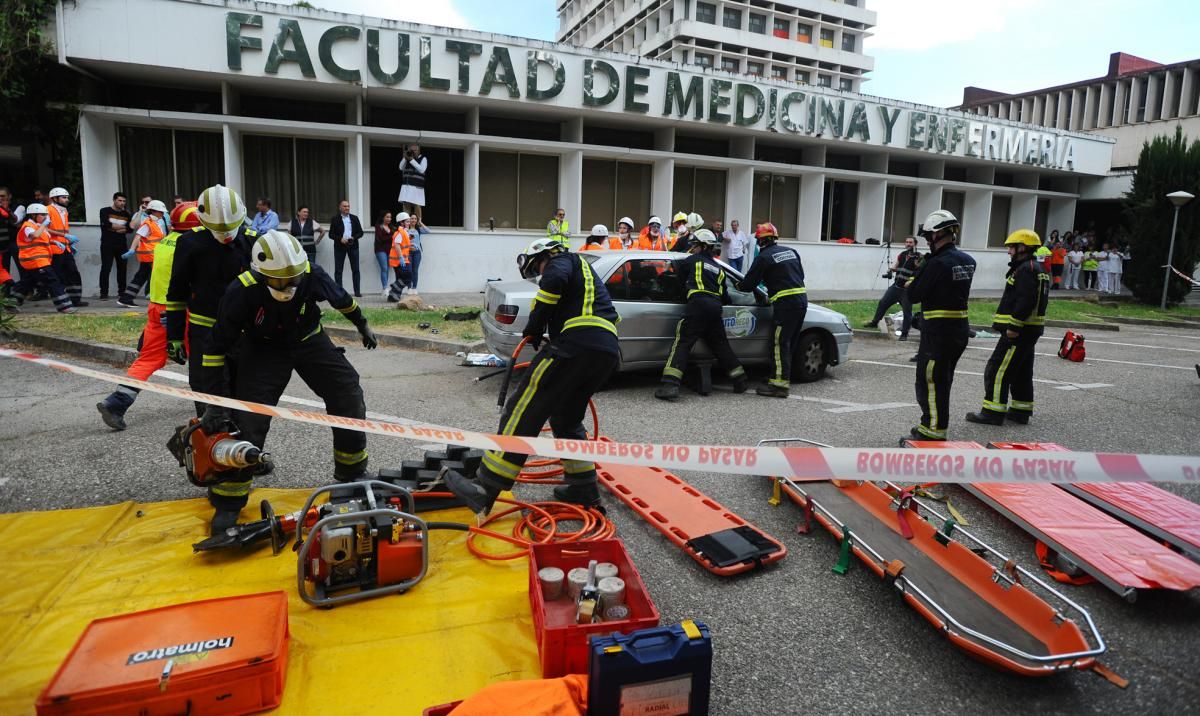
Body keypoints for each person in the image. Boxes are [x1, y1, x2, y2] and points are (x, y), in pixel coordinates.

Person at [196, 230, 378, 534]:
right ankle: (229, 500)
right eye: (280, 280)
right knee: (249, 419)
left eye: (293, 277)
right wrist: (215, 402)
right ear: (261, 273)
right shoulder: (241, 291)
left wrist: (362, 324)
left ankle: (352, 472)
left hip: (309, 340)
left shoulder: (310, 273)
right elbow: (215, 348)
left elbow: (343, 300)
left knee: (346, 392)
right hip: (263, 350)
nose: (289, 285)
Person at [442, 237, 620, 515]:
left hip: (575, 344)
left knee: (524, 406)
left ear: (541, 256)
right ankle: (583, 487)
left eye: (537, 269)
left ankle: (484, 487)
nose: (539, 275)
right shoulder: (584, 271)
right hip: (605, 350)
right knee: (566, 417)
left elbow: (553, 283)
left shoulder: (562, 260)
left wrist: (535, 326)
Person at [97, 202, 201, 430]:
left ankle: (116, 403)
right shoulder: (190, 246)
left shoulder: (165, 241)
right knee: (202, 356)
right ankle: (210, 407)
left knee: (148, 359)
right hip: (179, 310)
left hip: (157, 307)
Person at [165, 184, 255, 418]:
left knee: (245, 396)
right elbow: (176, 292)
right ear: (204, 222)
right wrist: (174, 336)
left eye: (230, 228)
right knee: (208, 395)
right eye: (218, 229)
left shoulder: (253, 242)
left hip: (243, 333)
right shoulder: (190, 243)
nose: (226, 235)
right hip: (205, 330)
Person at [903, 209, 976, 443]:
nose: (926, 241)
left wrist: (918, 271)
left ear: (939, 234)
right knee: (943, 379)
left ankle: (933, 429)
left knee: (930, 380)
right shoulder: (967, 261)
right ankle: (934, 424)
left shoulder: (936, 264)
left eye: (928, 237)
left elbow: (914, 294)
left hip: (938, 333)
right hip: (958, 330)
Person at [965, 229, 1049, 427]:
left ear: (1023, 248)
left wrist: (1014, 326)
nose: (1009, 251)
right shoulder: (1037, 267)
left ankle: (992, 413)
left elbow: (1025, 300)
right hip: (1030, 330)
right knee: (1021, 371)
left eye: (1012, 247)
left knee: (997, 370)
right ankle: (1021, 410)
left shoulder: (1026, 269)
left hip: (1019, 331)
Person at [655, 229, 748, 401]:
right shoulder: (719, 269)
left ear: (703, 246)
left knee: (683, 342)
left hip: (697, 305)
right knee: (720, 344)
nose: (693, 249)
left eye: (695, 245)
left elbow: (675, 280)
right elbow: (726, 296)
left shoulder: (691, 261)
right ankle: (740, 379)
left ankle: (670, 384)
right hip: (715, 308)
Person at [736, 222, 806, 398]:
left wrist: (736, 284)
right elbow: (801, 276)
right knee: (789, 342)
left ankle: (780, 386)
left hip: (785, 305)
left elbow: (748, 284)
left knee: (779, 343)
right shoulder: (791, 252)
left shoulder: (764, 257)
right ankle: (777, 376)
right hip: (801, 301)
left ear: (760, 241)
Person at [9, 203, 76, 313]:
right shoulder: (28, 226)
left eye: (46, 215)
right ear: (33, 215)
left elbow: (43, 240)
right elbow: (34, 236)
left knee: (27, 282)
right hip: (36, 260)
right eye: (42, 215)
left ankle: (10, 303)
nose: (46, 217)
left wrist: (56, 242)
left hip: (37, 261)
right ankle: (64, 306)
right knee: (53, 281)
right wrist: (44, 225)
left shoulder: (38, 226)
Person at [865, 236, 921, 341]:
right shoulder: (902, 255)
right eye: (907, 242)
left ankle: (904, 334)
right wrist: (891, 270)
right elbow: (896, 266)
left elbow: (920, 273)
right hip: (896, 287)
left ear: (915, 244)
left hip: (907, 291)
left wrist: (910, 282)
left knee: (907, 312)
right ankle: (874, 322)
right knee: (883, 303)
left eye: (911, 242)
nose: (908, 244)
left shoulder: (919, 257)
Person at [117, 199, 168, 307]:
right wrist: (131, 249)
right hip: (149, 255)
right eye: (160, 211)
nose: (163, 213)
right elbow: (138, 236)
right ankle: (159, 299)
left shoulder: (157, 222)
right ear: (153, 211)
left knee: (141, 276)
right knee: (151, 276)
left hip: (152, 255)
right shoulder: (148, 223)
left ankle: (126, 298)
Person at [45, 187, 86, 307]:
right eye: (64, 197)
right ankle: (62, 302)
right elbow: (45, 228)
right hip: (55, 249)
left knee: (73, 273)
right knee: (58, 276)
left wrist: (69, 242)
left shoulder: (64, 211)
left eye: (67, 197)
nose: (67, 199)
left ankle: (75, 300)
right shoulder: (48, 210)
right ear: (54, 198)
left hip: (65, 248)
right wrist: (65, 236)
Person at [98, 192, 132, 300]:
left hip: (122, 245)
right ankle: (104, 293)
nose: (122, 203)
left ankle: (122, 292)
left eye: (124, 201)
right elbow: (106, 225)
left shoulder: (126, 214)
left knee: (122, 269)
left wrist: (114, 228)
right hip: (107, 244)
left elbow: (130, 228)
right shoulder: (104, 211)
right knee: (106, 268)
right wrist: (122, 228)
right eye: (120, 200)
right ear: (114, 200)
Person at [329, 199, 364, 297]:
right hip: (340, 247)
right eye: (344, 206)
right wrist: (340, 239)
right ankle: (339, 292)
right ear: (340, 208)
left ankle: (357, 292)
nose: (347, 208)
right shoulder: (335, 219)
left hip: (353, 246)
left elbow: (361, 232)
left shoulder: (354, 218)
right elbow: (330, 234)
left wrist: (354, 237)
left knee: (356, 269)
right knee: (338, 270)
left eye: (348, 206)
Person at [0, 186, 25, 286]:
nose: (0, 198)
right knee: (4, 268)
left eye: (3, 196)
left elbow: (16, 221)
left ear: (9, 196)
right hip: (3, 244)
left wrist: (6, 210)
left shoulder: (19, 207)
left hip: (16, 242)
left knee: (22, 268)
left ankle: (25, 291)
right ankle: (6, 293)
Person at [385, 212, 412, 302]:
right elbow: (397, 245)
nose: (409, 223)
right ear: (401, 222)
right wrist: (401, 258)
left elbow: (403, 245)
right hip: (400, 260)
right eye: (407, 221)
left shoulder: (404, 231)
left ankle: (393, 297)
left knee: (400, 278)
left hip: (402, 259)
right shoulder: (400, 232)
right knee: (408, 277)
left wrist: (411, 246)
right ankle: (394, 286)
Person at [398, 143, 427, 222]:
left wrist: (411, 159)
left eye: (415, 150)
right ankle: (406, 223)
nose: (413, 152)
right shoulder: (407, 158)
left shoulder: (423, 158)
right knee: (406, 205)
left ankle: (418, 224)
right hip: (406, 186)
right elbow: (400, 167)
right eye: (412, 150)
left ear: (419, 150)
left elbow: (422, 169)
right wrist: (405, 157)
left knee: (417, 206)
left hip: (416, 187)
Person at [406, 212, 428, 295]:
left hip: (417, 253)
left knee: (415, 271)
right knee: (409, 270)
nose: (413, 220)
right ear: (409, 219)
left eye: (415, 218)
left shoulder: (418, 229)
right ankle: (409, 287)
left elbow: (428, 231)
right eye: (412, 218)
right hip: (408, 252)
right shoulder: (406, 229)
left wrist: (421, 223)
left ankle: (414, 288)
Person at [373, 210, 394, 293]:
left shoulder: (392, 227)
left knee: (387, 269)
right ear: (383, 217)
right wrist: (392, 236)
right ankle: (385, 288)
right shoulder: (379, 226)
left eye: (390, 217)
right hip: (380, 249)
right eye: (387, 217)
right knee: (384, 268)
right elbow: (380, 239)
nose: (389, 219)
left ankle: (385, 288)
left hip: (390, 250)